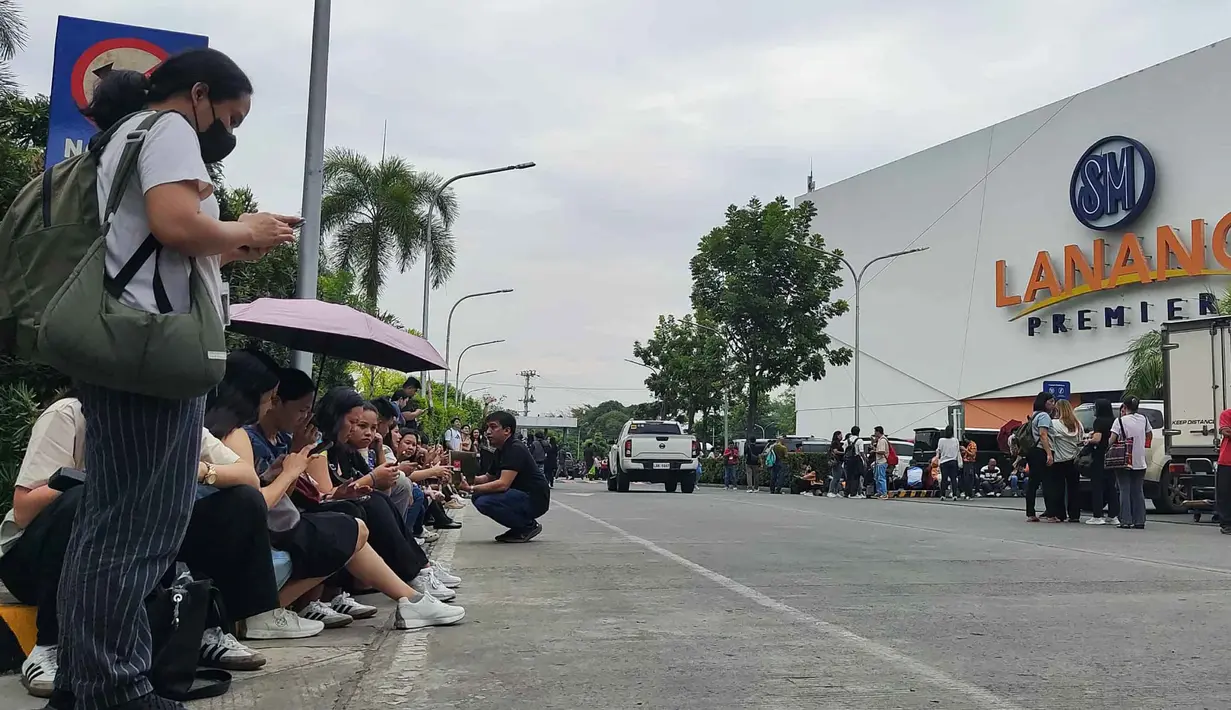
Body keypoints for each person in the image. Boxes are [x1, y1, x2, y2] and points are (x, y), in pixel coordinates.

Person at [47, 49, 304, 710]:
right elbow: (173, 223)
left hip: (131, 348)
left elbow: (164, 241)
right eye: (229, 115)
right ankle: (117, 689)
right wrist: (239, 225)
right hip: (150, 354)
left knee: (110, 523)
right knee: (139, 529)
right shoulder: (166, 130)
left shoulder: (121, 139)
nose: (228, 132)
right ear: (196, 95)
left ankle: (86, 684)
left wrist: (237, 243)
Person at [0, 388, 302, 701]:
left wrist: (198, 470)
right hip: (37, 559)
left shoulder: (175, 422)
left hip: (128, 557)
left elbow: (248, 477)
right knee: (85, 498)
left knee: (242, 501)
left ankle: (205, 628)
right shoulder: (70, 413)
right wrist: (108, 477)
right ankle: (48, 646)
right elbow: (24, 508)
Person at [233, 367, 466, 625]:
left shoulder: (292, 440)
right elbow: (265, 501)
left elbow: (286, 495)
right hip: (273, 525)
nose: (305, 416)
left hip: (283, 518)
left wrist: (297, 463)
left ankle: (411, 589)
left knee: (365, 509)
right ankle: (407, 589)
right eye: (356, 424)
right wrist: (295, 464)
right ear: (275, 402)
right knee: (354, 517)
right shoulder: (247, 438)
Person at [461, 412, 551, 542]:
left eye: (493, 427)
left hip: (534, 498)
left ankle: (527, 526)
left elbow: (503, 484)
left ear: (507, 430)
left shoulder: (515, 448)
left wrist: (471, 488)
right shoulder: (500, 451)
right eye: (487, 428)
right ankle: (519, 527)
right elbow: (487, 478)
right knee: (478, 497)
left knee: (484, 501)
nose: (488, 432)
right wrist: (464, 479)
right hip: (518, 495)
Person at [1109, 396, 1150, 530]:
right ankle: (1140, 521)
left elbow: (1112, 439)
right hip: (1140, 460)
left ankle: (1126, 520)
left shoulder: (1119, 420)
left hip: (1124, 460)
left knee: (1124, 490)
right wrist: (1142, 445)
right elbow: (1149, 434)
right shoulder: (1143, 419)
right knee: (1138, 491)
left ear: (1124, 407)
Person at [1085, 398, 1120, 526]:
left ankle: (1097, 515)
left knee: (1097, 486)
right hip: (1112, 456)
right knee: (1111, 486)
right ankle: (1113, 515)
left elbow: (1097, 439)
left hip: (1099, 456)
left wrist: (1088, 440)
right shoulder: (1114, 420)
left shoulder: (1098, 421)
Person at [1049, 399, 1084, 523]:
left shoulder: (1054, 424)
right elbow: (1081, 440)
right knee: (1074, 488)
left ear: (1057, 410)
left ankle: (1060, 514)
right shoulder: (1078, 424)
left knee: (1058, 487)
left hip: (1058, 459)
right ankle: (1074, 514)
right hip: (1074, 459)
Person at [1024, 392, 1056, 522]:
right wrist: (1049, 453)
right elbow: (1043, 435)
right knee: (1048, 482)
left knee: (1033, 482)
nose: (1053, 405)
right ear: (1044, 402)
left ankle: (1030, 512)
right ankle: (1051, 514)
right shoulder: (1043, 416)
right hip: (1041, 451)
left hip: (1032, 451)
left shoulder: (1034, 415)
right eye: (1051, 402)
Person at [936, 426, 962, 501]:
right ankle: (954, 495)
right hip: (953, 461)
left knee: (944, 479)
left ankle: (943, 495)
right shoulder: (955, 440)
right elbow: (958, 451)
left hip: (944, 462)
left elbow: (939, 450)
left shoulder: (941, 440)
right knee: (953, 479)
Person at [843, 427, 867, 499]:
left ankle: (846, 492)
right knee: (856, 476)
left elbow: (845, 451)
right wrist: (865, 460)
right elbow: (861, 451)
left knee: (849, 477)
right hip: (856, 459)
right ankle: (853, 493)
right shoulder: (859, 440)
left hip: (848, 460)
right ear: (858, 432)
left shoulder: (847, 441)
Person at [1218, 404, 1231, 534]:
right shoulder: (1227, 414)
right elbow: (1226, 431)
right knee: (1225, 493)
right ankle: (1227, 523)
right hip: (1227, 461)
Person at [871, 426, 890, 499]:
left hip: (882, 461)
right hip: (878, 461)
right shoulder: (880, 440)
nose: (874, 433)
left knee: (881, 478)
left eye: (875, 432)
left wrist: (874, 451)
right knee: (877, 477)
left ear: (878, 432)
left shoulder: (882, 440)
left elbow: (882, 451)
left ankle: (884, 493)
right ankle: (879, 492)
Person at [826, 431, 844, 497]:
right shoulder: (835, 443)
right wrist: (844, 453)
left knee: (838, 477)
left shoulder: (838, 443)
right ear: (837, 436)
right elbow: (835, 451)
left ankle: (835, 492)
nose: (842, 436)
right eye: (840, 435)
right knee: (835, 477)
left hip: (839, 461)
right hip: (836, 461)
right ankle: (830, 491)